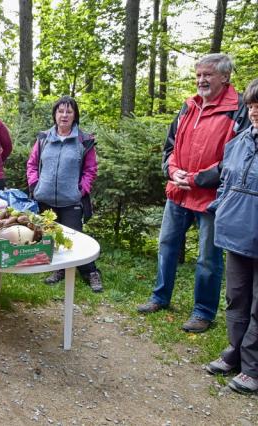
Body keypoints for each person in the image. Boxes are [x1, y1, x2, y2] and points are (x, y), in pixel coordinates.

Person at [137, 53, 250, 333]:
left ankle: (203, 312)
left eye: (208, 74)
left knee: (208, 258)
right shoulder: (188, 106)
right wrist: (172, 170)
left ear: (225, 77)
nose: (201, 80)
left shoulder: (238, 109)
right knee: (166, 246)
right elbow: (170, 146)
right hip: (178, 191)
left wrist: (201, 178)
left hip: (212, 198)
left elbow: (237, 159)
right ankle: (160, 297)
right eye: (199, 75)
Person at [206, 78, 258, 393]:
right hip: (236, 233)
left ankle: (253, 368)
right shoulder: (237, 143)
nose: (255, 112)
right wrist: (221, 207)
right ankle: (235, 353)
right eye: (252, 105)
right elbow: (225, 182)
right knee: (236, 298)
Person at [26, 95, 103, 292]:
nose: (64, 115)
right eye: (60, 111)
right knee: (51, 237)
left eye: (69, 111)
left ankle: (91, 273)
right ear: (55, 114)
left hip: (71, 200)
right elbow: (32, 164)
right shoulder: (44, 138)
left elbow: (90, 170)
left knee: (75, 238)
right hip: (45, 199)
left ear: (75, 115)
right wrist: (35, 185)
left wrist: (80, 190)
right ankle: (60, 270)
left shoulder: (84, 141)